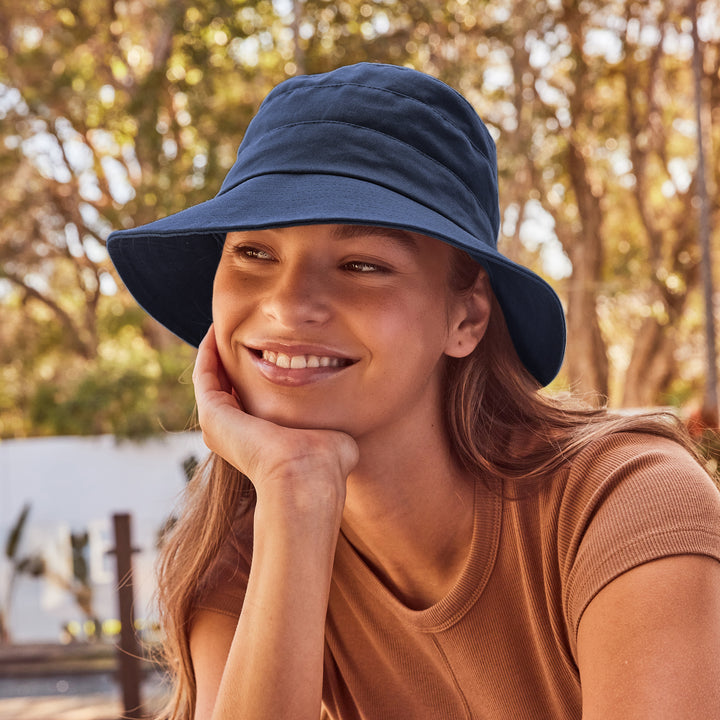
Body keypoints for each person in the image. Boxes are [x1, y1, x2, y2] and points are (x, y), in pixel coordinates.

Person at [107, 63, 720, 720]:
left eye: (361, 265)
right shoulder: (250, 553)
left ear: (466, 319)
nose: (287, 305)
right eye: (254, 253)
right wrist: (296, 485)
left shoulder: (626, 503)